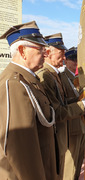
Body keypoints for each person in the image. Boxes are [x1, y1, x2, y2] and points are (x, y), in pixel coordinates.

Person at [0, 21, 57, 179]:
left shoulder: (28, 79)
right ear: (22, 51)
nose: (46, 54)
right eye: (40, 49)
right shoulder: (14, 85)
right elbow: (21, 150)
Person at [37, 33, 85, 179]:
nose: (64, 58)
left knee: (72, 168)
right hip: (62, 131)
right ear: (48, 52)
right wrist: (82, 104)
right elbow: (58, 111)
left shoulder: (54, 75)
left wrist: (82, 102)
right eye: (62, 55)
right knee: (66, 170)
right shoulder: (46, 75)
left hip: (69, 128)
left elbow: (64, 102)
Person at [59, 47, 85, 180]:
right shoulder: (62, 77)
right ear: (66, 60)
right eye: (73, 59)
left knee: (78, 161)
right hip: (70, 127)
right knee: (70, 165)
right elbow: (63, 102)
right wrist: (82, 102)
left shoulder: (78, 77)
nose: (76, 62)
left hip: (80, 123)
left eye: (77, 59)